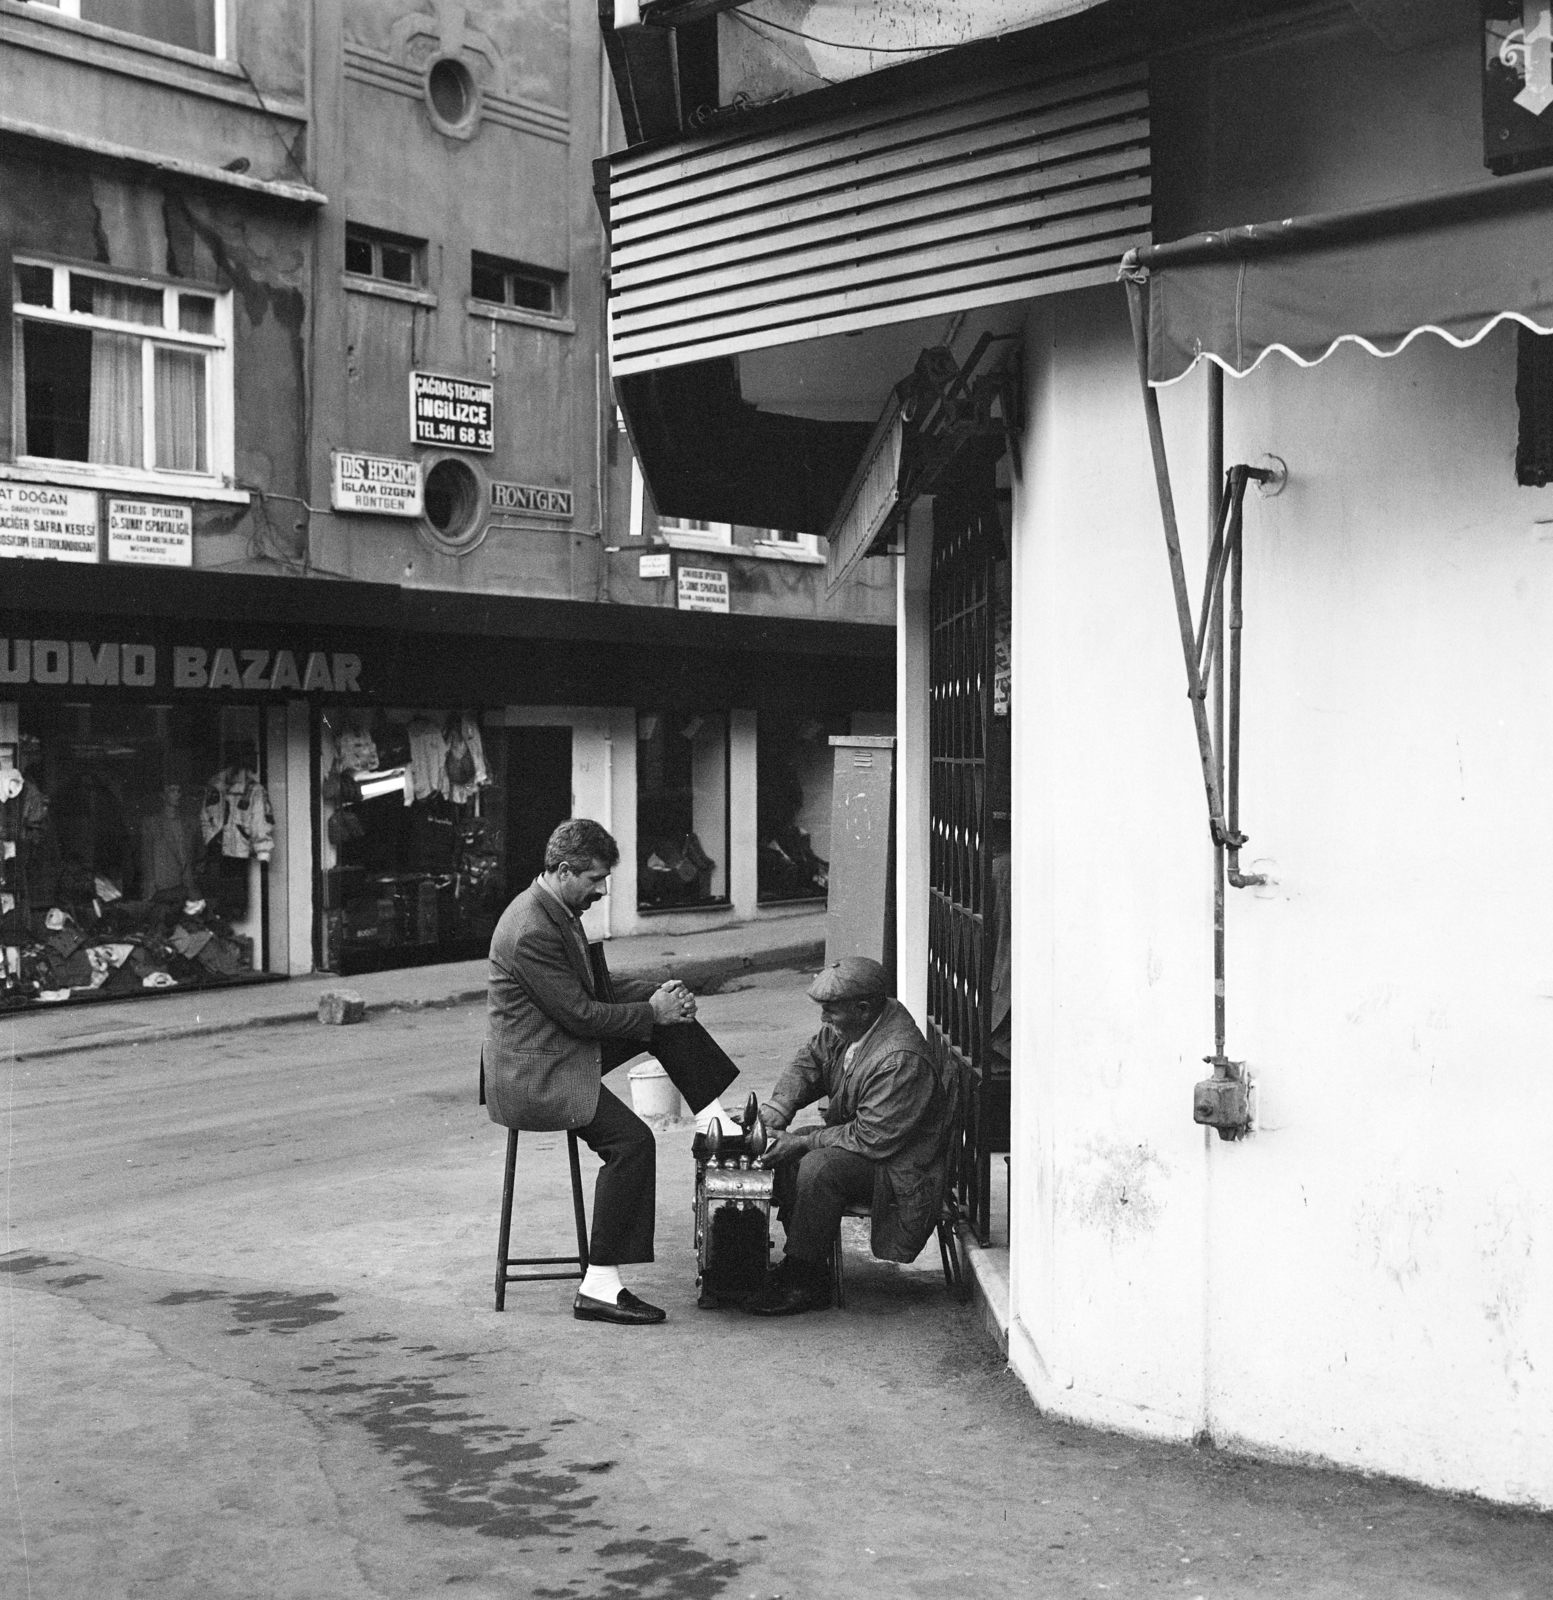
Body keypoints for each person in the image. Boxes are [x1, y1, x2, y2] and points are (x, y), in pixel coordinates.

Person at [483, 818, 697, 1326]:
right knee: (632, 1143)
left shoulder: (557, 905)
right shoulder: (530, 929)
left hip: (560, 1051)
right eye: (595, 880)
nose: (602, 891)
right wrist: (652, 1010)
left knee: (664, 1015)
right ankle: (599, 1285)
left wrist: (657, 992)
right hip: (537, 1075)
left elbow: (592, 987)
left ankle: (716, 1122)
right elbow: (580, 1013)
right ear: (562, 871)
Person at [749, 956, 956, 1316]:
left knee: (818, 1165)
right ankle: (803, 1261)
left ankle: (805, 1280)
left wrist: (802, 1140)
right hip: (877, 1150)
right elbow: (811, 1059)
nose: (824, 1019)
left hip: (900, 1169)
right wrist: (780, 1108)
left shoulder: (899, 1058)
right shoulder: (858, 1023)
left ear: (862, 1008)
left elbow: (871, 1138)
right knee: (790, 1152)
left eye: (831, 1011)